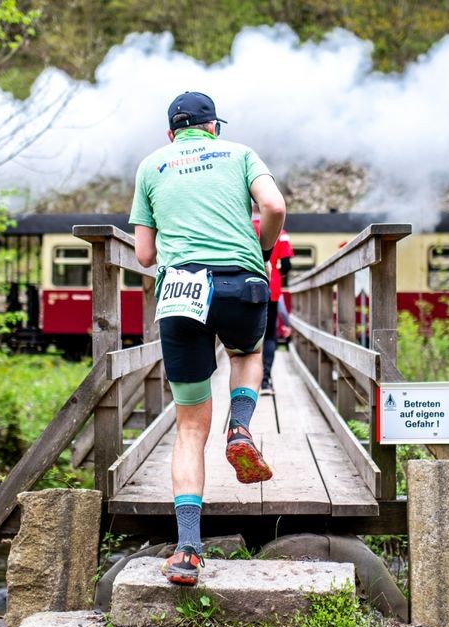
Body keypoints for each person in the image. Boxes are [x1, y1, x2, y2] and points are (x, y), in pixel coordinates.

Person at [131, 91, 286, 586]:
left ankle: (188, 550)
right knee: (249, 350)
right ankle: (240, 426)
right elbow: (274, 205)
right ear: (213, 127)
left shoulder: (151, 165)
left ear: (172, 134)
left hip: (180, 293)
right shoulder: (240, 154)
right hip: (240, 284)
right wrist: (259, 248)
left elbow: (143, 256)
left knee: (189, 428)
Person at [252, 204, 294, 394]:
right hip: (271, 287)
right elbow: (286, 265)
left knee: (249, 336)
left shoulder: (240, 227)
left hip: (245, 287)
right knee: (269, 336)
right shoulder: (281, 232)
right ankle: (266, 380)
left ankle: (248, 382)